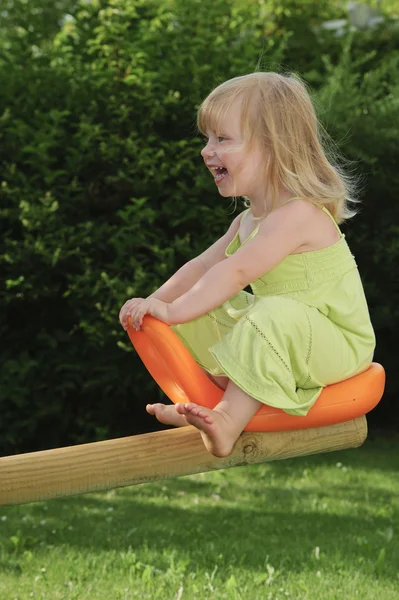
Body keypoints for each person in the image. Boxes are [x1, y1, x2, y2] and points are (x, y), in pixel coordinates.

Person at [119, 72, 376, 458]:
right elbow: (203, 267)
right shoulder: (246, 221)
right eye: (207, 138)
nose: (207, 150)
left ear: (274, 146)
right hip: (291, 334)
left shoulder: (299, 214)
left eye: (222, 139)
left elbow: (235, 272)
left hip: (339, 344)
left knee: (265, 311)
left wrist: (171, 309)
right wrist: (152, 305)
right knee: (205, 304)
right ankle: (207, 398)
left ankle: (226, 420)